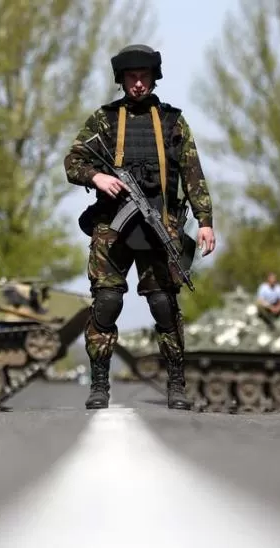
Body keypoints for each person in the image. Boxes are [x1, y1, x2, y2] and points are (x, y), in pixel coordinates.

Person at [63, 43, 216, 410]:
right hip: (112, 229)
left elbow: (193, 174)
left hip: (159, 225)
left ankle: (176, 384)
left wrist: (205, 222)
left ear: (153, 78)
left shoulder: (172, 121)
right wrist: (97, 177)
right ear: (122, 80)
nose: (137, 84)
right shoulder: (103, 120)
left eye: (143, 76)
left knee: (164, 306)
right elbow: (72, 161)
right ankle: (99, 383)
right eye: (131, 77)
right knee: (106, 303)